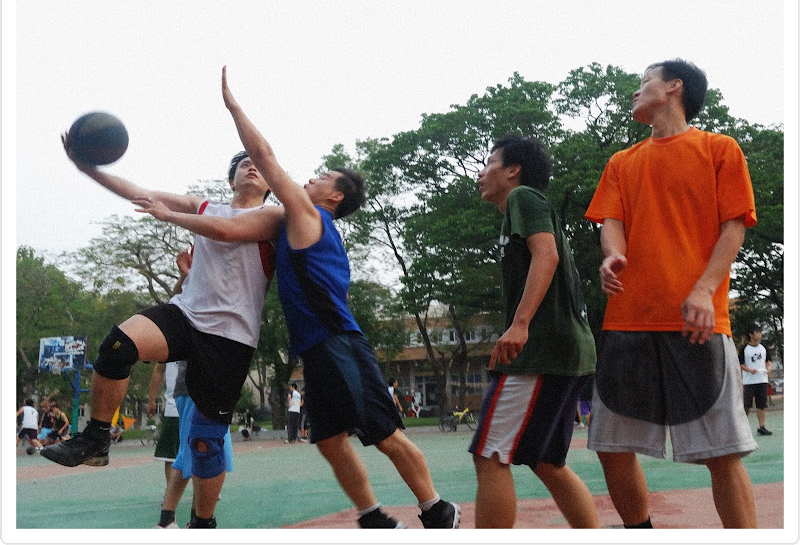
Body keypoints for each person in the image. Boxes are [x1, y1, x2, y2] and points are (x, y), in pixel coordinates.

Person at [136, 66, 461, 529]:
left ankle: (437, 509)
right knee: (329, 440)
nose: (311, 178)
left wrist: (233, 106)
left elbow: (264, 156)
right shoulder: (300, 224)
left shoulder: (311, 216)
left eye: (323, 176)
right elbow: (230, 228)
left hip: (337, 342)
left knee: (384, 433)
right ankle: (372, 516)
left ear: (335, 197)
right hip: (316, 349)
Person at [41, 137, 281, 530]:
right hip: (187, 315)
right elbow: (142, 193)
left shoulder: (275, 216)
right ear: (231, 179)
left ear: (270, 183)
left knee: (205, 442)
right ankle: (96, 437)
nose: (252, 165)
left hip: (231, 338)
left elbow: (226, 231)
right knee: (117, 345)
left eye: (258, 162)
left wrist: (169, 217)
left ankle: (203, 523)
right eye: (243, 163)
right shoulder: (205, 206)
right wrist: (88, 169)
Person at [584, 58, 759, 528]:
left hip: (697, 322)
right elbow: (612, 223)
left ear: (674, 87)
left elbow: (734, 226)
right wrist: (612, 255)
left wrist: (704, 290)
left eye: (645, 81)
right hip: (627, 321)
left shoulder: (719, 149)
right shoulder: (621, 162)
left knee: (722, 454)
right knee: (610, 447)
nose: (635, 90)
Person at [471, 133, 599, 529]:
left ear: (514, 170)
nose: (481, 173)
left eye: (489, 163)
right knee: (547, 461)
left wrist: (520, 323)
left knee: (490, 454)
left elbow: (547, 254)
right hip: (571, 350)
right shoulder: (520, 210)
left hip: (543, 350)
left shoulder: (523, 198)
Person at [739, 323, 772, 436]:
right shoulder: (744, 349)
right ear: (751, 335)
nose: (760, 334)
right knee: (746, 405)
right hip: (749, 381)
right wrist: (749, 370)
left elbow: (768, 360)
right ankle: (741, 428)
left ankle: (762, 427)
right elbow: (740, 364)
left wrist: (769, 367)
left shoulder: (764, 348)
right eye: (757, 332)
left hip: (762, 380)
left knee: (761, 405)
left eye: (760, 332)